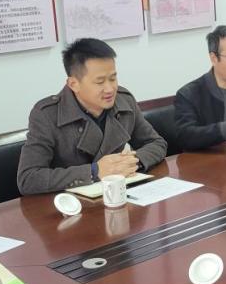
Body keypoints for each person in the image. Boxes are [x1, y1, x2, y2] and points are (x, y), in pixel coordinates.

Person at [17, 38, 167, 194]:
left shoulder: (124, 100)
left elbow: (157, 143)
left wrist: (132, 162)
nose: (110, 89)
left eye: (113, 78)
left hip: (117, 195)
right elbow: (28, 179)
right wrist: (94, 171)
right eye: (100, 82)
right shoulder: (47, 115)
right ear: (74, 84)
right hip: (68, 203)